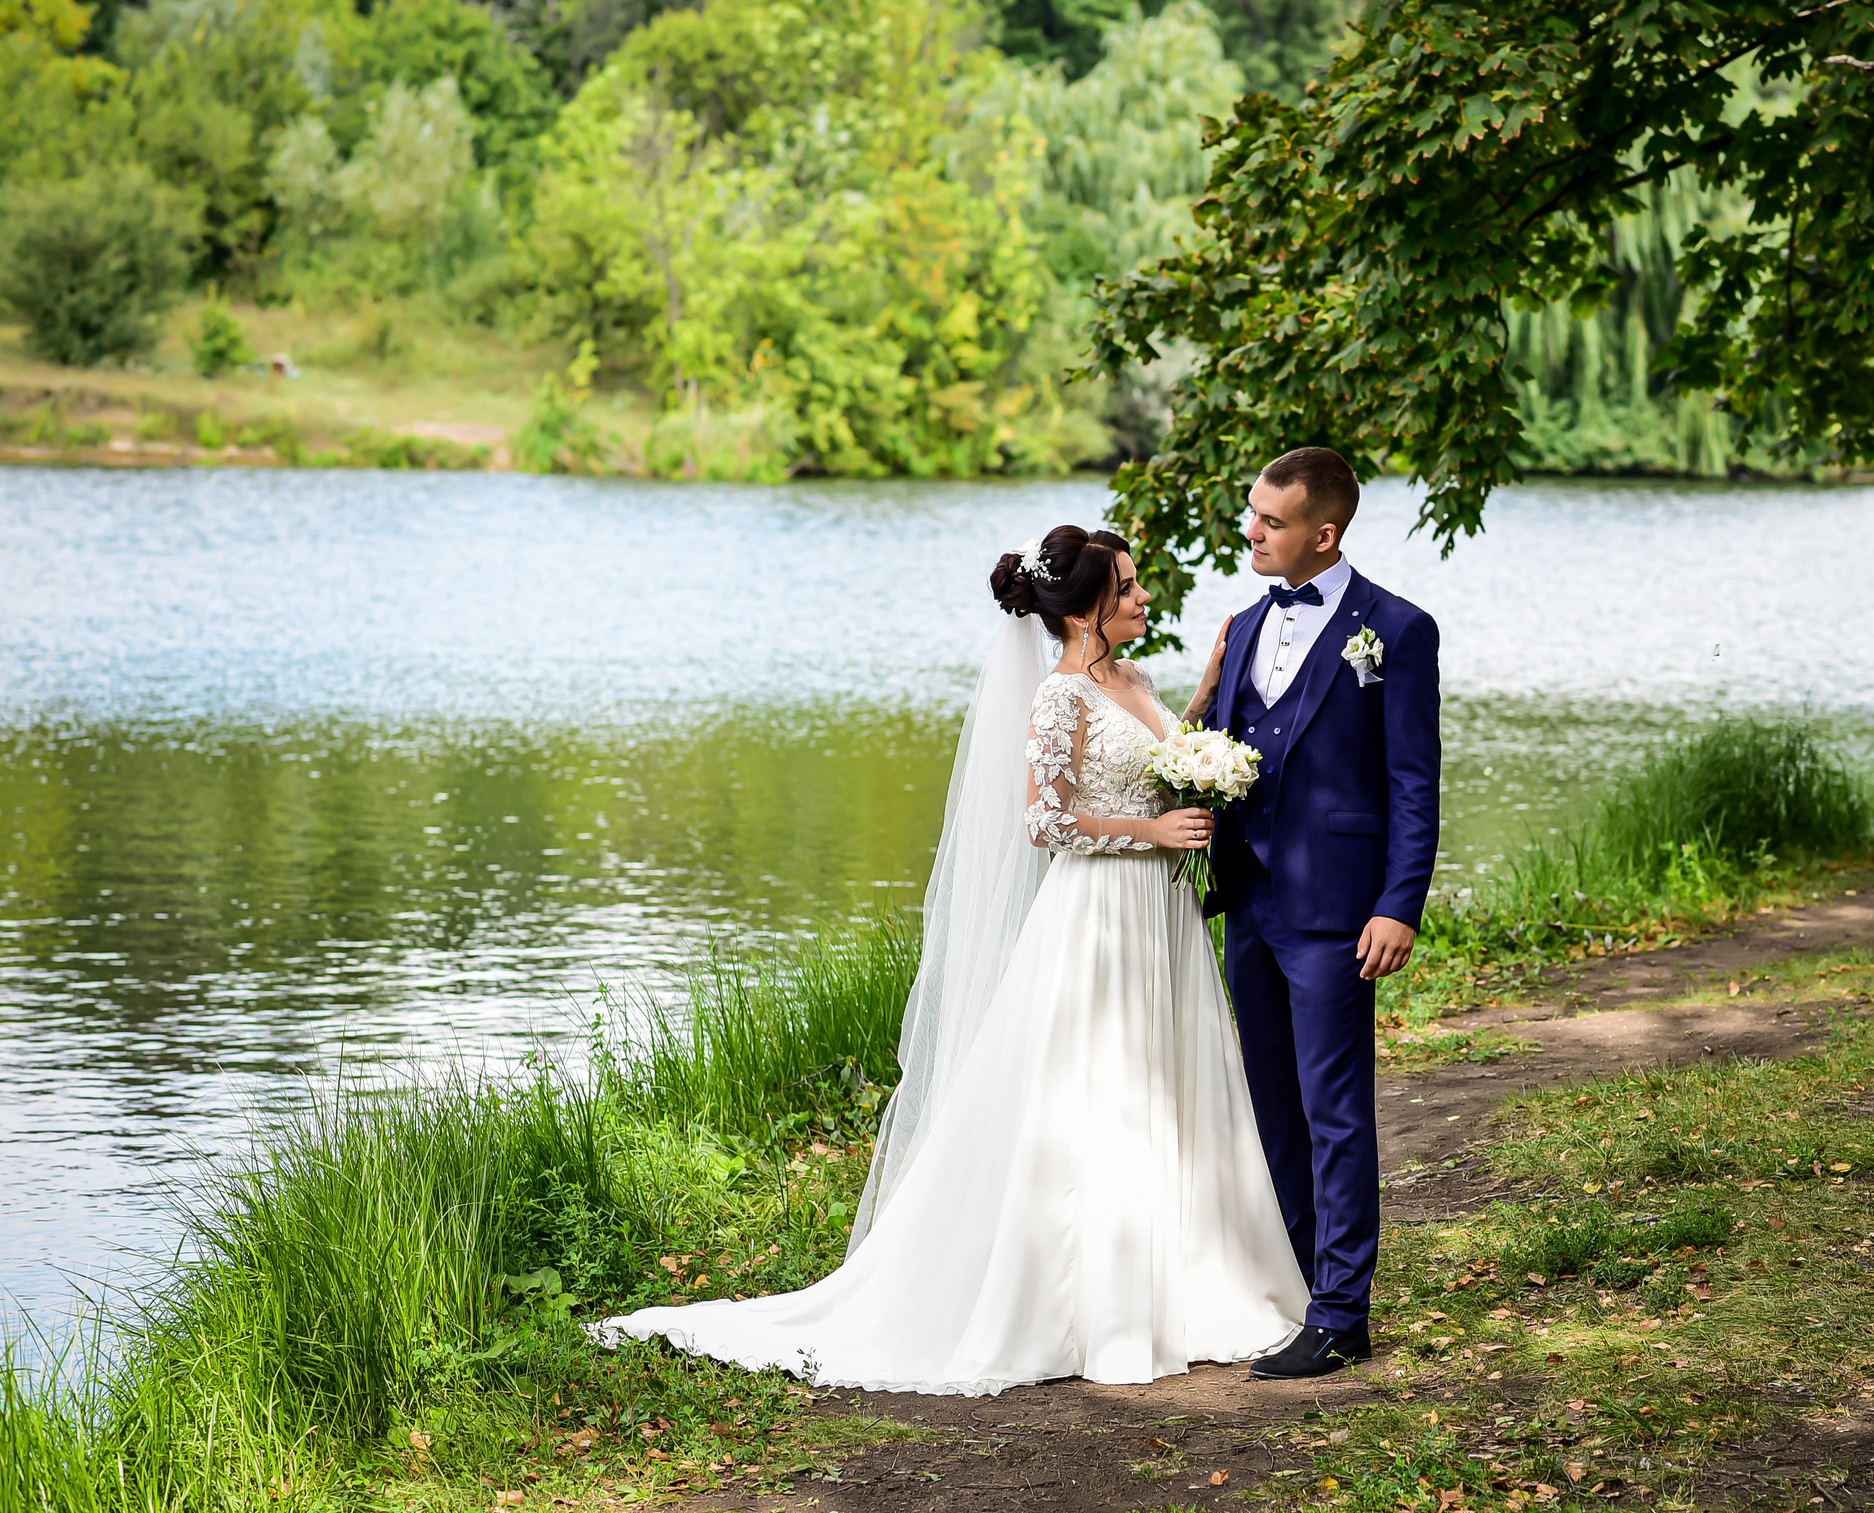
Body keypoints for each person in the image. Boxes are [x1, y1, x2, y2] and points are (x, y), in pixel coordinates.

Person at [589, 525, 1307, 1394]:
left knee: (1172, 1087)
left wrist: (1203, 698)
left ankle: (1190, 1283)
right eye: (1126, 589)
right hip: (1098, 918)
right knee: (1100, 1096)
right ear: (1084, 611)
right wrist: (1152, 831)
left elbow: (1154, 760)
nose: (1143, 599)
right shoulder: (1058, 700)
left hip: (1161, 917)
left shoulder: (1134, 679)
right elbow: (1045, 823)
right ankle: (1102, 1304)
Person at [1183, 445, 1442, 1379]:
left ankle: (1342, 1313)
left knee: (1335, 1111)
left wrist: (1397, 904)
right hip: (1247, 898)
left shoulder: (1398, 632)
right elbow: (1221, 746)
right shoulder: (1246, 625)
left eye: (1269, 520)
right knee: (1269, 1107)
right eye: (1251, 512)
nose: (1250, 530)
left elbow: (1415, 783)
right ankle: (1293, 1284)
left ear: (1322, 534)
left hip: (1339, 912)